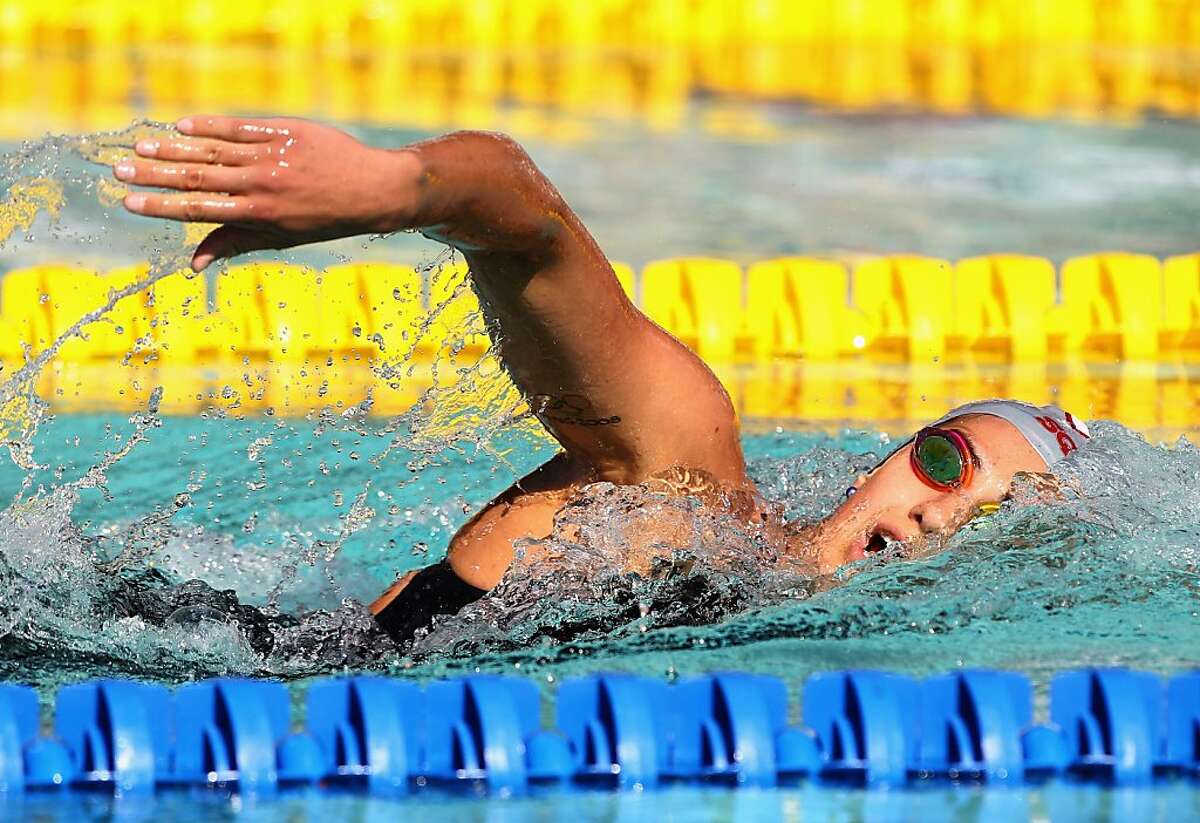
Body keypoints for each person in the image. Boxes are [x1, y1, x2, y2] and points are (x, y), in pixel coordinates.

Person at [113, 116, 1090, 642]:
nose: (941, 516)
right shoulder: (689, 483)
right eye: (948, 464)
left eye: (1001, 516)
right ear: (890, 454)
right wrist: (393, 189)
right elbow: (526, 217)